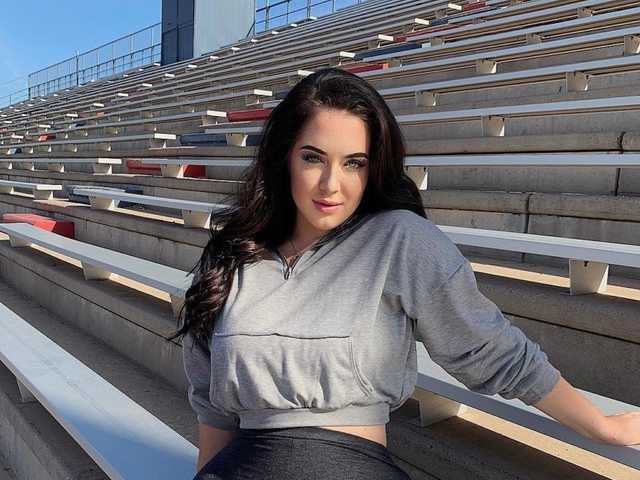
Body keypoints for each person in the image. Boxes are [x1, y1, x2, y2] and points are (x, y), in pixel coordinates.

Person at [170, 67, 640, 479]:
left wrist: (599, 425)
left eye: (354, 163)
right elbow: (212, 406)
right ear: (284, 157)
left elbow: (491, 350)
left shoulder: (400, 239)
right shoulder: (231, 257)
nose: (332, 184)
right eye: (313, 158)